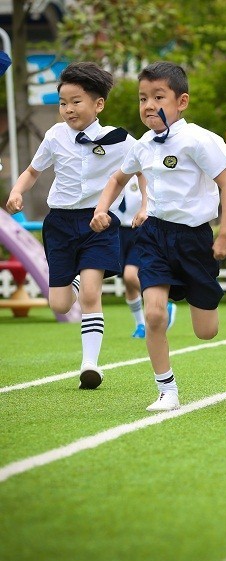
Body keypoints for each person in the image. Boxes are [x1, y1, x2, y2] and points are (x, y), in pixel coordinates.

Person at [91, 61, 226, 411]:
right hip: (154, 235)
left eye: (158, 97)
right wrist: (101, 209)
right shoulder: (142, 145)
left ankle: (182, 294)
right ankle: (166, 389)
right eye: (142, 98)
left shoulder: (199, 140)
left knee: (206, 331)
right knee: (153, 316)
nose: (147, 105)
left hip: (195, 239)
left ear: (181, 102)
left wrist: (225, 233)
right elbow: (116, 179)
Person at [5, 61, 137, 390]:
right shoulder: (54, 136)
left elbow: (145, 166)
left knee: (92, 295)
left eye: (76, 101)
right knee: (60, 305)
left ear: (98, 104)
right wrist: (17, 191)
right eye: (63, 103)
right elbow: (33, 171)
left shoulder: (119, 139)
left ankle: (90, 365)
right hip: (60, 223)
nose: (68, 109)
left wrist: (146, 204)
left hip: (98, 219)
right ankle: (75, 282)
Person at [114, 178, 177, 338]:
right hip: (117, 232)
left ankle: (161, 304)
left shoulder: (143, 176)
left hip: (139, 230)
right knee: (127, 282)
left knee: (130, 274)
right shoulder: (114, 174)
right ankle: (140, 324)